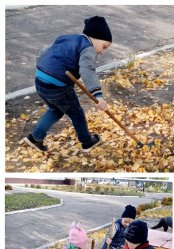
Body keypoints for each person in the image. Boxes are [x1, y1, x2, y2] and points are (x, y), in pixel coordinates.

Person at [24, 16, 112, 153]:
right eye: (104, 46)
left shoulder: (66, 38)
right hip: (58, 86)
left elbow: (44, 51)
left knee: (56, 110)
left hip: (40, 80)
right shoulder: (88, 48)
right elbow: (87, 69)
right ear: (95, 37)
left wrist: (42, 70)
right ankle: (87, 142)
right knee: (77, 114)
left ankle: (35, 137)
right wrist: (98, 95)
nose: (102, 51)